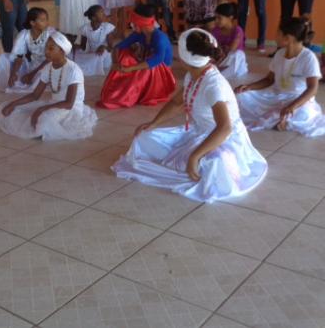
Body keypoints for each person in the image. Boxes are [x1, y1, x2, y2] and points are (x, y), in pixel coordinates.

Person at [113, 28, 267, 203]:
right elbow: (177, 103)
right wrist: (153, 123)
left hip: (225, 139)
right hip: (200, 132)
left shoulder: (213, 85)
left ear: (185, 59)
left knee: (213, 164)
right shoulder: (192, 75)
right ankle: (189, 156)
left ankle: (197, 158)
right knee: (144, 136)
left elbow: (225, 128)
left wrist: (195, 156)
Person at [0, 31, 98, 141]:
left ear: (62, 51)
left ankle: (44, 125)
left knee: (42, 120)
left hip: (70, 108)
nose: (46, 52)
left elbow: (69, 104)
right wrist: (13, 104)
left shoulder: (73, 70)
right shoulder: (48, 67)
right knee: (10, 108)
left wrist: (42, 109)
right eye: (46, 48)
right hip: (54, 103)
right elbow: (35, 95)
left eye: (51, 49)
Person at [236, 17, 325, 136]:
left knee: (304, 113)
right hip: (276, 96)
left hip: (299, 100)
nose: (275, 37)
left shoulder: (309, 57)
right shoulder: (279, 53)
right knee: (241, 95)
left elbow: (312, 89)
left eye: (278, 33)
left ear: (288, 38)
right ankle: (279, 119)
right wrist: (249, 87)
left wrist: (292, 106)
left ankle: (282, 119)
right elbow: (269, 79)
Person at [97, 4, 176, 109]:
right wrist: (115, 63)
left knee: (149, 67)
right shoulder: (139, 34)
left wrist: (131, 68)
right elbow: (118, 47)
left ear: (140, 23)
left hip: (161, 76)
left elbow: (156, 60)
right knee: (124, 54)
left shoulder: (160, 38)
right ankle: (122, 91)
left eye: (133, 22)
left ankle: (131, 94)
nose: (131, 25)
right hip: (146, 68)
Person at [0, 7, 54, 93]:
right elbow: (18, 56)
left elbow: (51, 58)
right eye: (43, 20)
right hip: (34, 64)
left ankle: (35, 77)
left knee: (40, 79)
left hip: (49, 64)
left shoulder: (51, 34)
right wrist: (13, 73)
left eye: (46, 20)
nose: (47, 23)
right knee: (3, 58)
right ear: (32, 23)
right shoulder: (24, 34)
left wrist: (32, 74)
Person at [73, 5, 115, 76]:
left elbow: (111, 48)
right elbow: (83, 46)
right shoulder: (85, 28)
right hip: (93, 53)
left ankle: (91, 64)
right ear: (93, 18)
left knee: (99, 55)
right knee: (74, 54)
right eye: (101, 13)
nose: (104, 14)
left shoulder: (107, 27)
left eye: (103, 12)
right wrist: (76, 46)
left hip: (105, 54)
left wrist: (103, 47)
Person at [212, 2, 248, 86]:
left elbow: (231, 48)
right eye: (215, 18)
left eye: (219, 18)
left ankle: (218, 76)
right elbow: (214, 47)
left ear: (230, 17)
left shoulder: (237, 30)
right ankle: (217, 73)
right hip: (221, 59)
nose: (216, 21)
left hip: (235, 62)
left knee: (236, 54)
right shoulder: (215, 30)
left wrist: (220, 52)